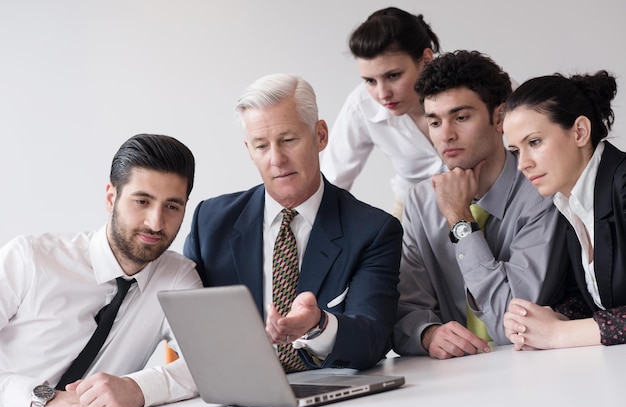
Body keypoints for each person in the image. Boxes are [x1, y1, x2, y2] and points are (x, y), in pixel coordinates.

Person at [184, 73, 403, 371]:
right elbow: (188, 328)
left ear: (320, 135)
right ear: (249, 151)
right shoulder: (209, 222)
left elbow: (374, 338)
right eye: (261, 146)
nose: (277, 159)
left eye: (288, 140)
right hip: (238, 395)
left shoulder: (373, 231)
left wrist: (319, 325)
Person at [0, 134, 202, 407]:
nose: (156, 223)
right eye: (142, 201)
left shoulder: (177, 278)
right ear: (111, 197)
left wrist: (138, 388)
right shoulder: (30, 259)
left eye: (172, 206)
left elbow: (208, 366)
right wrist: (41, 399)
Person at [393, 50, 568, 359]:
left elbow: (509, 325)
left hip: (537, 370)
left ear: (498, 118)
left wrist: (459, 219)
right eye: (435, 122)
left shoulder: (540, 191)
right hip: (457, 380)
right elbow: (404, 312)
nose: (446, 135)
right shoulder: (421, 201)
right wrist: (428, 334)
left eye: (461, 117)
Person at [503, 71, 625, 350]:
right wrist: (542, 320)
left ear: (580, 132)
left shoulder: (622, 184)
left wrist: (559, 334)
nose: (522, 164)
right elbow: (597, 297)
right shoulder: (572, 203)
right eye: (515, 151)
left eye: (534, 142)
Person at [321, 7, 446, 218]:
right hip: (413, 212)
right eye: (370, 81)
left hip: (487, 205)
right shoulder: (361, 105)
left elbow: (521, 118)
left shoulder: (474, 79)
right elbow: (333, 182)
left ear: (426, 59)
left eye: (394, 75)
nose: (382, 94)